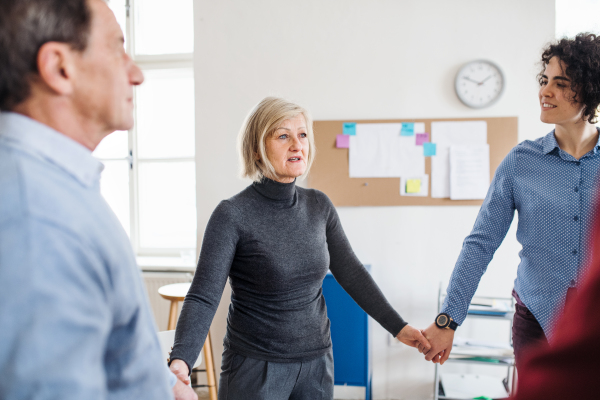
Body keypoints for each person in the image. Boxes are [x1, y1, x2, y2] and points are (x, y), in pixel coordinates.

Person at [168, 97, 430, 399]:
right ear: (257, 149)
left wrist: (399, 327)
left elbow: (352, 274)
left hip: (317, 364)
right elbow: (204, 295)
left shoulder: (319, 205)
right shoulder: (232, 214)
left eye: (302, 134)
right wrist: (182, 359)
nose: (297, 144)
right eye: (283, 135)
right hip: (255, 367)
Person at [0, 0, 196, 399]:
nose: (137, 73)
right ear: (59, 67)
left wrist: (163, 385)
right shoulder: (37, 217)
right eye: (117, 48)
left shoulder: (57, 188)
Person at [418, 33, 600, 368]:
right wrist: (448, 320)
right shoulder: (521, 161)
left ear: (590, 89)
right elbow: (480, 243)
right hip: (536, 322)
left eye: (561, 83)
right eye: (544, 80)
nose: (545, 91)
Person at [510, 196, 600, 399]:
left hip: (585, 320)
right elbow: (481, 241)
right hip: (533, 313)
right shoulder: (518, 166)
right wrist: (447, 321)